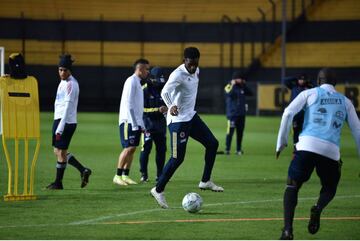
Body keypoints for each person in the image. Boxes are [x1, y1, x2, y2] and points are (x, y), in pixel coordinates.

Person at [276, 68, 360, 240]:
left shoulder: (310, 93)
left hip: (306, 146)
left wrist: (282, 142)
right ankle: (318, 208)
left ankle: (287, 231)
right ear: (335, 83)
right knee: (329, 188)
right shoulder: (345, 101)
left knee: (292, 186)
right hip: (331, 152)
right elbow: (357, 130)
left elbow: (288, 113)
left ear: (318, 80)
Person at [150, 47, 224, 209]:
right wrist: (171, 106)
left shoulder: (197, 71)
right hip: (178, 122)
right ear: (184, 61)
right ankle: (158, 189)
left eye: (195, 64)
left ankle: (205, 181)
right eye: (190, 64)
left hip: (191, 117)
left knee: (212, 143)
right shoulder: (178, 74)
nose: (193, 67)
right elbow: (165, 92)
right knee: (177, 158)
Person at [46, 54, 92, 190]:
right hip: (60, 120)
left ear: (69, 70)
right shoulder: (63, 82)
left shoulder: (72, 84)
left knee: (60, 152)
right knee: (58, 151)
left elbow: (67, 107)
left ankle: (58, 183)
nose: (62, 72)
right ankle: (83, 170)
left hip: (66, 122)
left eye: (64, 70)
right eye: (60, 69)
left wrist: (60, 127)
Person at [113, 58, 150, 186]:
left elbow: (138, 107)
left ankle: (125, 174)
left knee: (132, 148)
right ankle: (117, 175)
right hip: (128, 121)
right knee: (128, 147)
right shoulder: (131, 81)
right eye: (147, 69)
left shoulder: (138, 83)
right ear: (139, 69)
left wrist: (142, 125)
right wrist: (134, 123)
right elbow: (128, 104)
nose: (148, 72)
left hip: (135, 121)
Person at [139, 67, 168, 182]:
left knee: (161, 150)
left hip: (161, 125)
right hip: (148, 125)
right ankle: (144, 175)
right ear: (151, 79)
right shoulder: (144, 90)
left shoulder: (164, 89)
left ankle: (160, 175)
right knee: (146, 149)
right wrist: (157, 110)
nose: (160, 84)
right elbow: (141, 110)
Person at [224, 72, 252, 155]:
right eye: (239, 78)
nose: (240, 80)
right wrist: (232, 84)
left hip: (241, 114)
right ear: (235, 79)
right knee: (230, 133)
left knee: (240, 133)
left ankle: (238, 149)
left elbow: (250, 93)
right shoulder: (229, 86)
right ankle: (227, 149)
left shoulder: (242, 87)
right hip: (232, 115)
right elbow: (228, 93)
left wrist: (244, 84)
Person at [283, 74, 314, 149]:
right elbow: (284, 80)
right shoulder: (294, 86)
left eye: (303, 80)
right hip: (295, 113)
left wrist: (310, 81)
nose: (302, 81)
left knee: (305, 130)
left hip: (305, 113)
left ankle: (304, 146)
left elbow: (318, 87)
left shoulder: (309, 87)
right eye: (300, 79)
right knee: (295, 131)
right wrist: (295, 78)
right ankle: (295, 147)